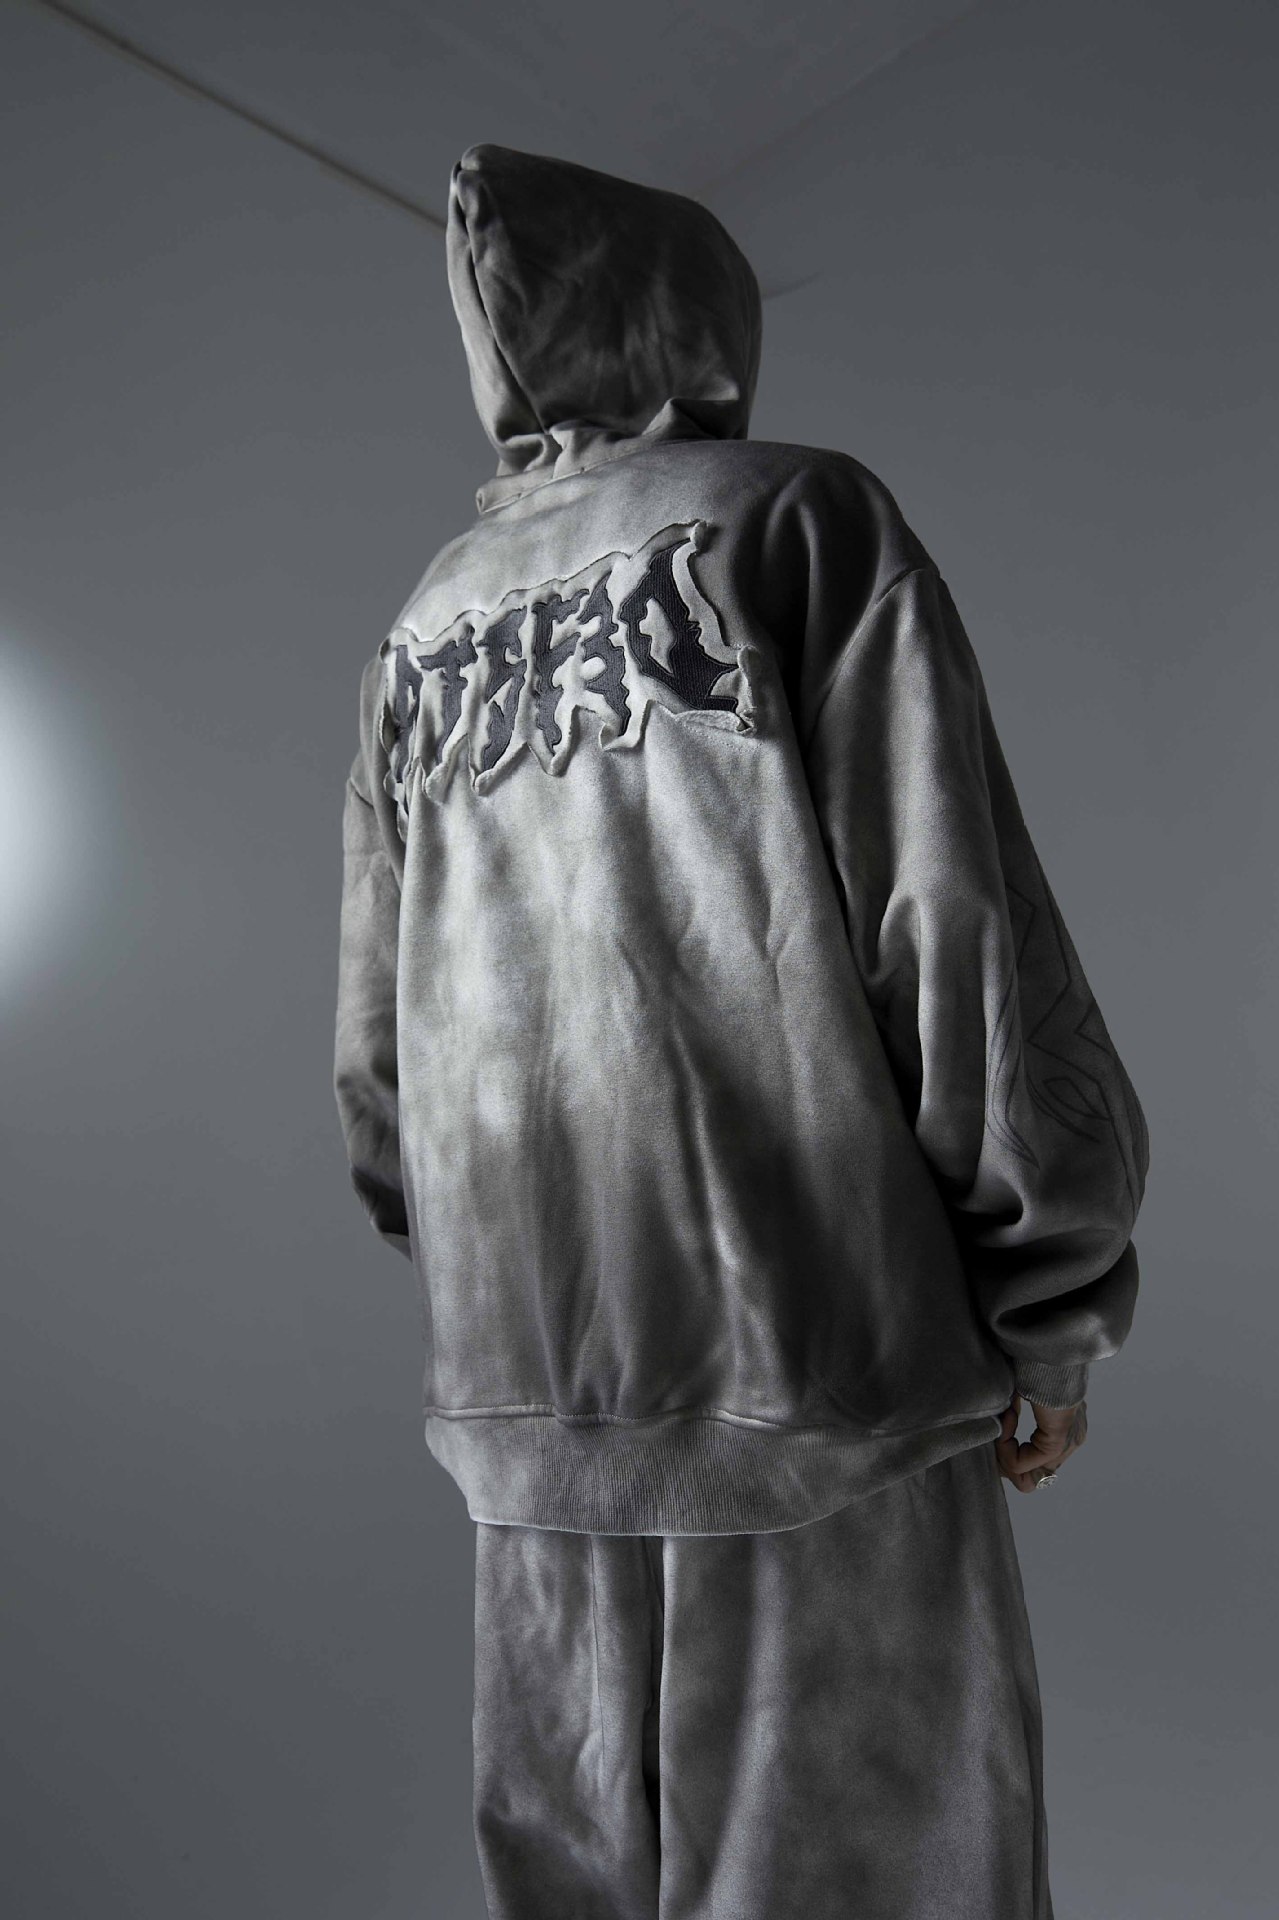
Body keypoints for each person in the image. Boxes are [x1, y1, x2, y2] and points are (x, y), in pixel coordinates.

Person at [333, 141, 1149, 1920]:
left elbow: (384, 1085)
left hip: (531, 1432)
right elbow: (956, 941)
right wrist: (1053, 1311)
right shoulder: (799, 522)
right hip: (822, 1391)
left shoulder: (422, 630)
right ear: (697, 317)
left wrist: (524, 1317)